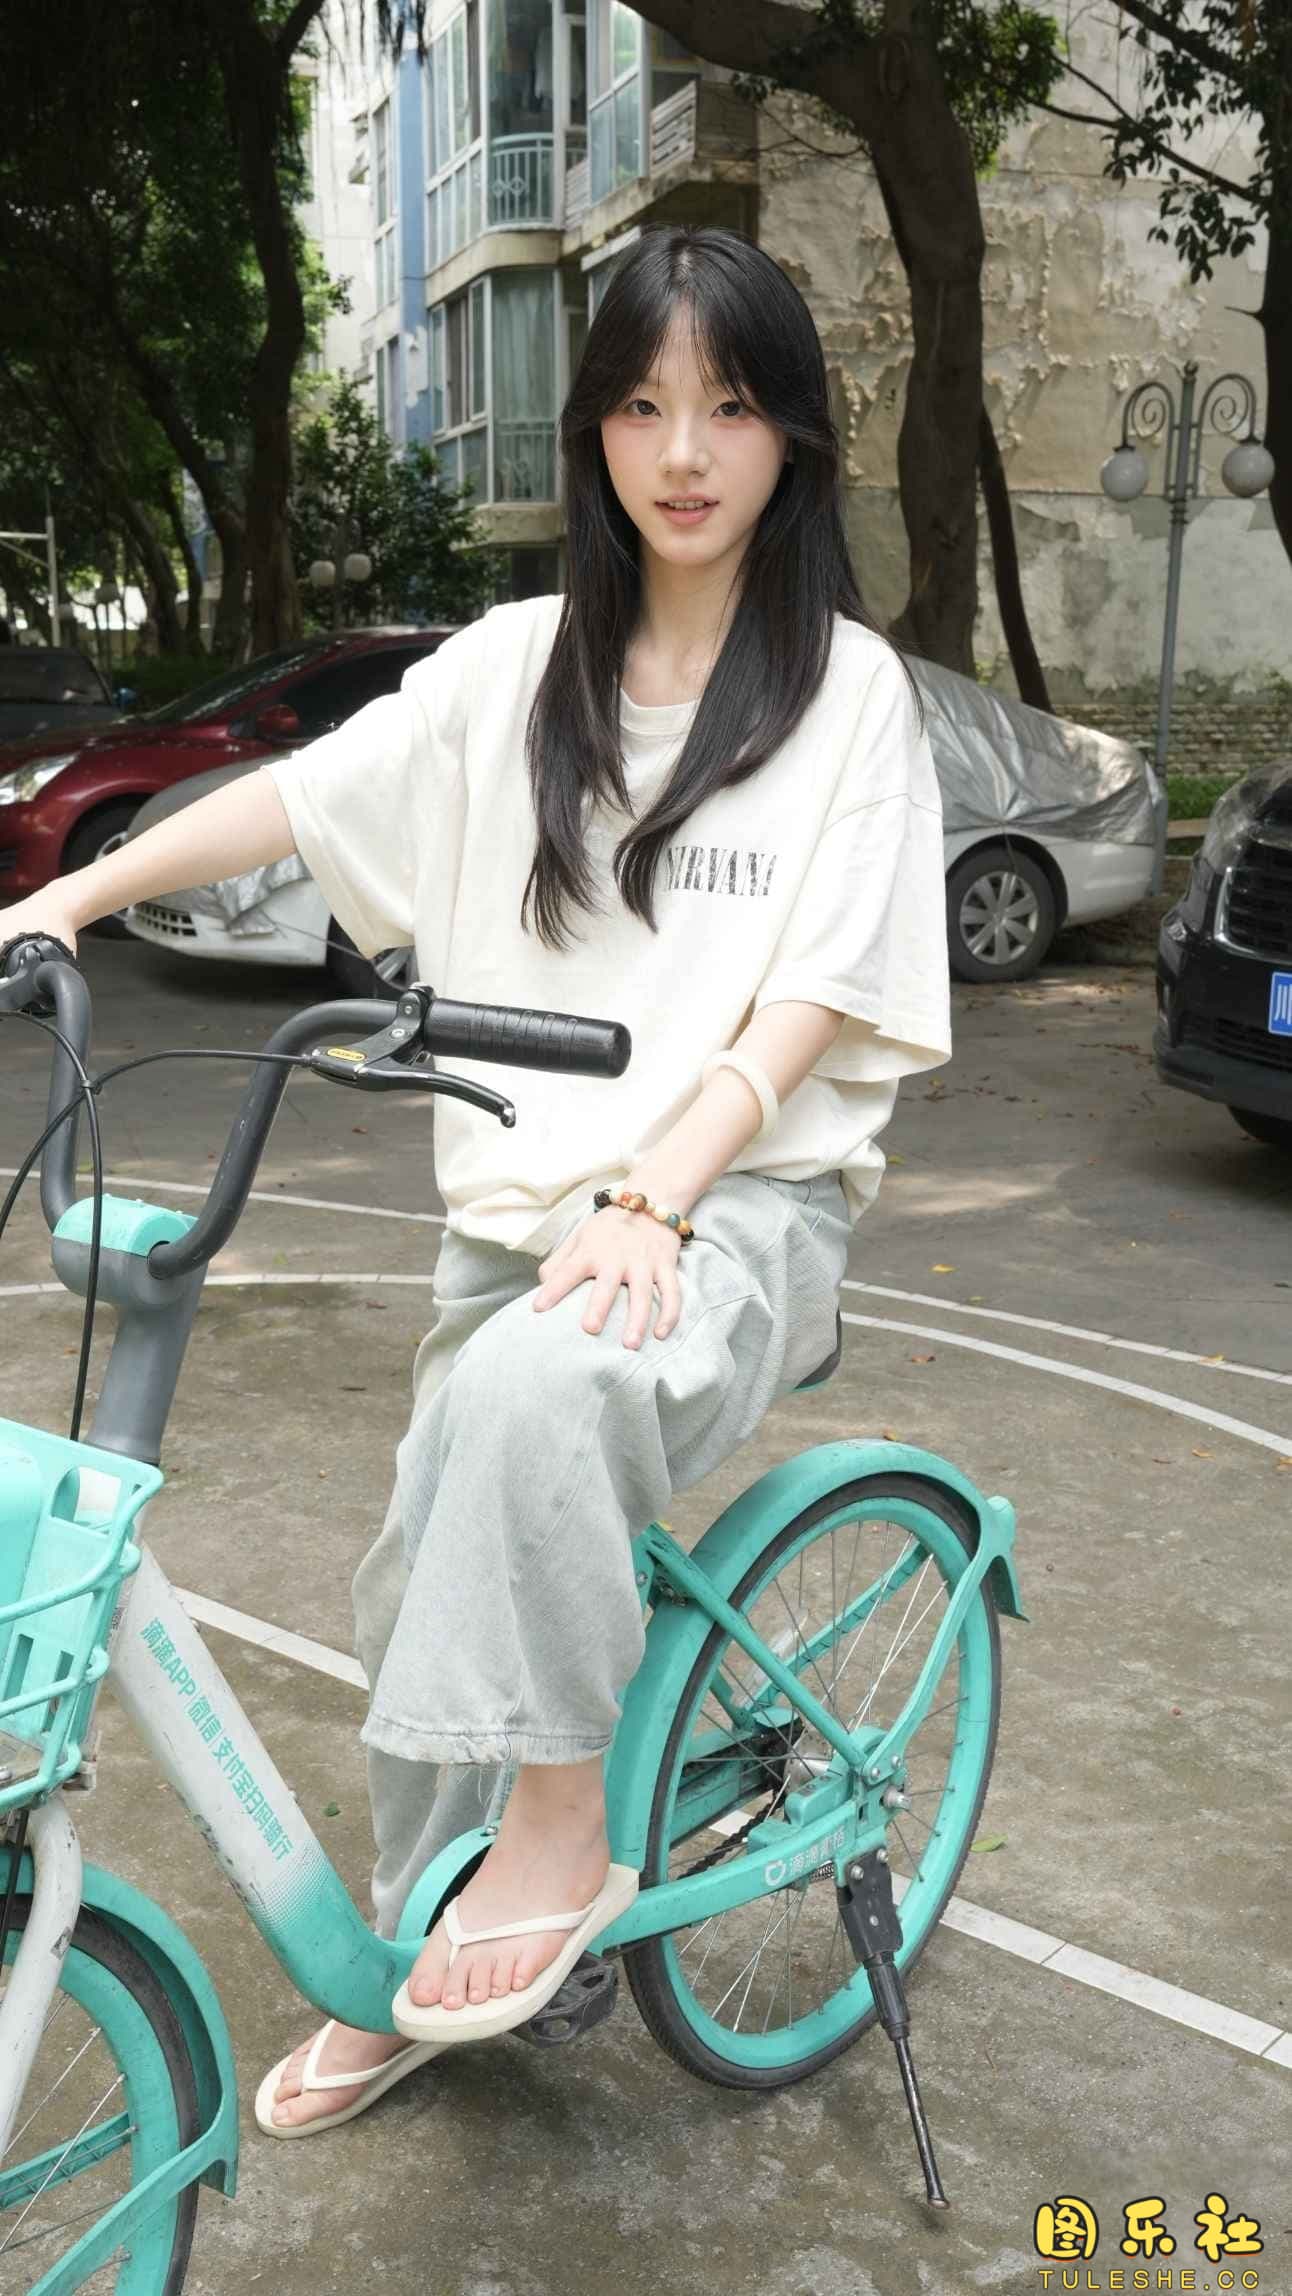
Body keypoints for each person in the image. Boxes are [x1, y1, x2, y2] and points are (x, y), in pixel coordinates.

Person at [2, 223, 952, 2134]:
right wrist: (70, 896)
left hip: (735, 1206)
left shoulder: (848, 694)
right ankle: (405, 1962)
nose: (683, 451)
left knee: (538, 1393)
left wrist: (659, 1193)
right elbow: (302, 797)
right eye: (642, 406)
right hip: (520, 1218)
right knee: (413, 1580)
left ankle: (555, 1841)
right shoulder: (517, 667)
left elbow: (813, 1003)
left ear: (791, 435)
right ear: (593, 430)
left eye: (729, 406)